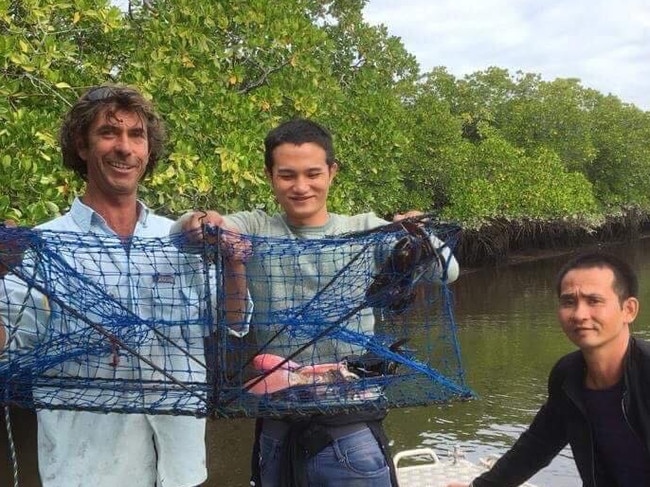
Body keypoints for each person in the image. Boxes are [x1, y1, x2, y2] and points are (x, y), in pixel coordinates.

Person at [173, 118, 460, 487]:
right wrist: (201, 220)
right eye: (287, 175)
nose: (301, 186)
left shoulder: (364, 229)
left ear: (332, 172)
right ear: (269, 175)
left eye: (313, 173)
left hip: (350, 425)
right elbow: (181, 233)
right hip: (277, 425)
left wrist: (419, 233)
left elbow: (447, 271)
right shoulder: (255, 226)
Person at [0, 84, 246, 487]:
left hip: (179, 470)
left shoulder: (181, 238)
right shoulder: (39, 247)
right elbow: (8, 343)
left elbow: (233, 321)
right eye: (109, 133)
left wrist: (235, 259)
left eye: (137, 135)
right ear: (82, 145)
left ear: (149, 150)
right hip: (86, 471)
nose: (125, 148)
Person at [448, 251, 650, 487]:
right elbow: (539, 444)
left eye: (594, 301)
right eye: (568, 302)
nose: (579, 314)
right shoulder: (568, 375)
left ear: (629, 310)